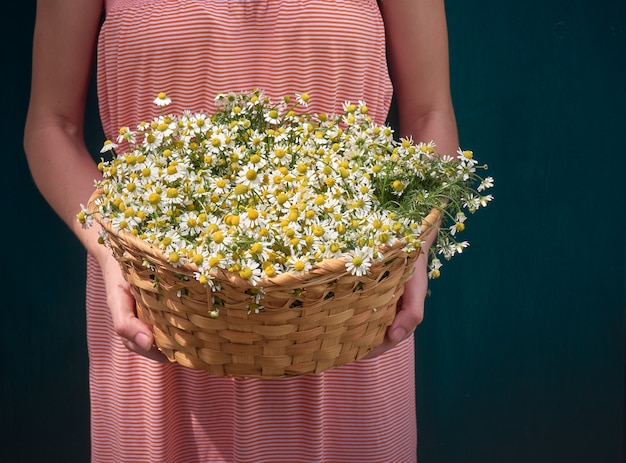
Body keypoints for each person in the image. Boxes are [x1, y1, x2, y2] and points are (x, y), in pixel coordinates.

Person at [24, 0, 458, 461]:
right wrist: (111, 245)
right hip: (158, 314)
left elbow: (429, 113)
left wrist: (414, 243)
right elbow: (53, 125)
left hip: (347, 314)